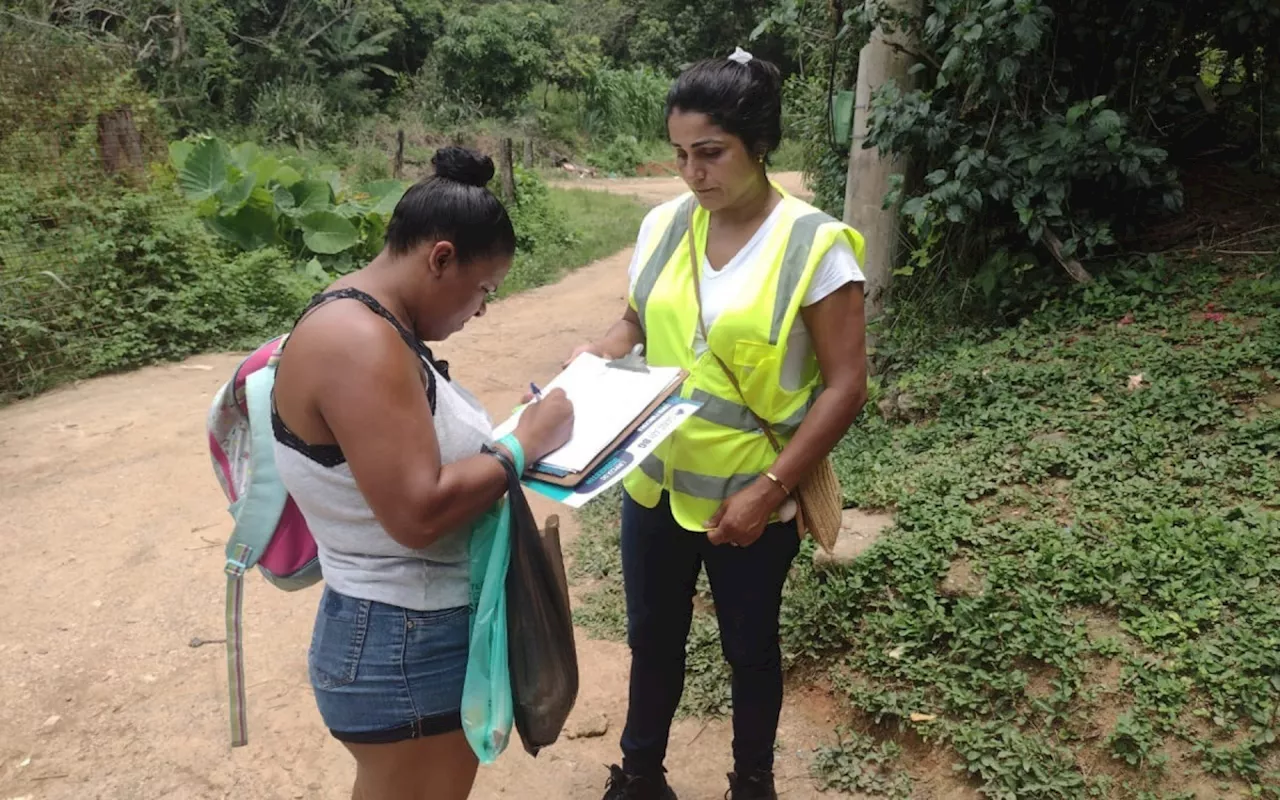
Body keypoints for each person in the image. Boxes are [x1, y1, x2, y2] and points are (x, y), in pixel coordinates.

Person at [569, 50, 869, 800]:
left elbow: (846, 384)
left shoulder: (815, 246)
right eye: (679, 156)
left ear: (758, 144)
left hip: (750, 496)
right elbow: (638, 318)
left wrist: (769, 493)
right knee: (652, 642)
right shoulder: (666, 225)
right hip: (654, 486)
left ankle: (752, 784)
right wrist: (600, 354)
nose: (693, 174)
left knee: (749, 647)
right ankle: (639, 778)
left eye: (710, 153)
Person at [269, 146, 574, 800]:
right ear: (440, 258)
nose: (482, 309)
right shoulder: (358, 341)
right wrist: (520, 447)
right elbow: (416, 512)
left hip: (400, 633)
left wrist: (514, 436)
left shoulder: (374, 321)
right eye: (484, 290)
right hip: (401, 642)